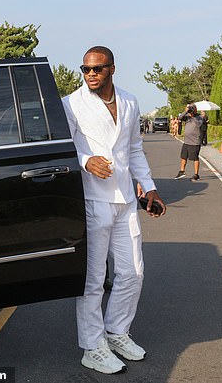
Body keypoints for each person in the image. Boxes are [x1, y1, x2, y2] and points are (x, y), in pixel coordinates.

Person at [62, 45, 167, 375]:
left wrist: (148, 186)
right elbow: (64, 148)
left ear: (112, 69)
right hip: (93, 200)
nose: (90, 74)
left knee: (133, 272)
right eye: (86, 69)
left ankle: (116, 332)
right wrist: (85, 161)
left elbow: (134, 148)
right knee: (93, 280)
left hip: (124, 201)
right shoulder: (71, 104)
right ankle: (92, 347)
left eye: (98, 68)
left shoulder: (130, 101)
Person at [174, 103, 204, 181]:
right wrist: (185, 111)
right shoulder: (187, 117)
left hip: (195, 142)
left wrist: (193, 115)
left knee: (195, 158)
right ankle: (182, 171)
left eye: (192, 109)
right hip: (186, 141)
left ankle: (196, 174)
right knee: (183, 156)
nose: (190, 110)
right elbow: (179, 118)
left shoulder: (199, 117)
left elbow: (198, 123)